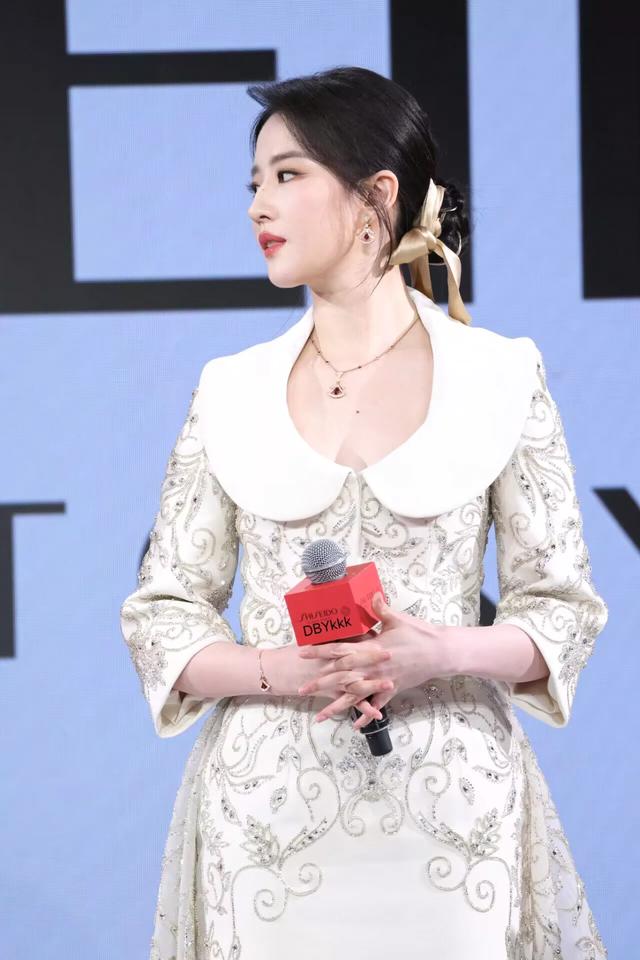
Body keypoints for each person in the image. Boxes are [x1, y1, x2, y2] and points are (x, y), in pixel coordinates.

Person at [119, 66, 609, 959]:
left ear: (377, 195)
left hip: (452, 816)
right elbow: (164, 615)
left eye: (288, 175)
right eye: (255, 182)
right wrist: (281, 667)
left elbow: (561, 610)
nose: (259, 205)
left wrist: (440, 652)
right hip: (265, 819)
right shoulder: (230, 389)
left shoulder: (500, 374)